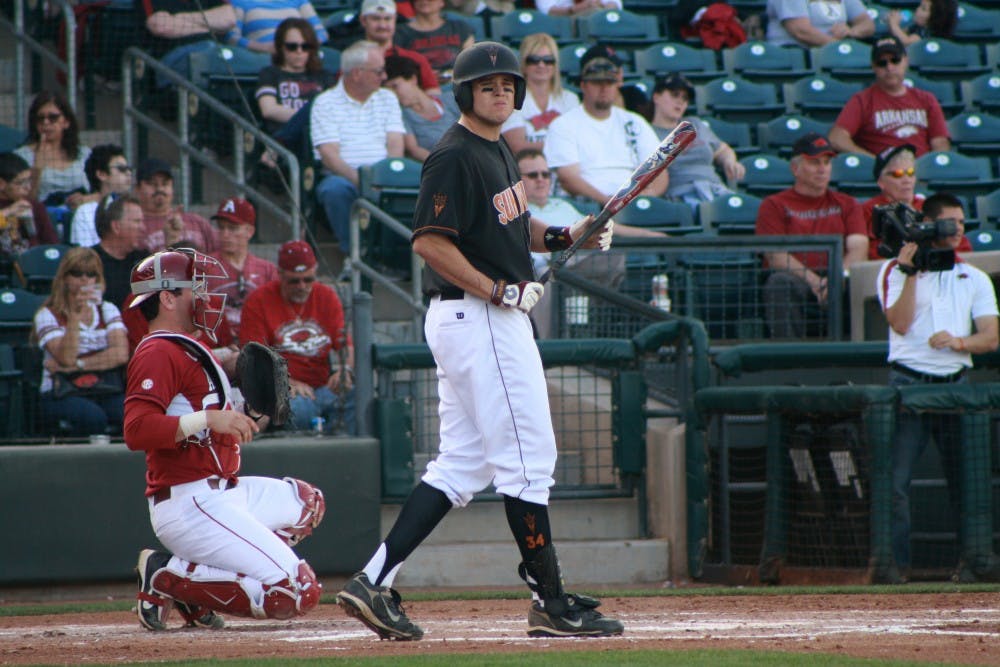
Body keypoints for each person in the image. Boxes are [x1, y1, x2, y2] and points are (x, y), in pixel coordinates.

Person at [334, 42, 623, 641]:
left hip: (475, 320)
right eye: (487, 84)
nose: (501, 92)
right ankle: (550, 601)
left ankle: (373, 579)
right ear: (465, 93)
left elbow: (519, 228)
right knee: (528, 462)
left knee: (461, 465)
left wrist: (573, 233)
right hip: (482, 317)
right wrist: (498, 290)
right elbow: (429, 242)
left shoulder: (499, 152)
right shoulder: (454, 155)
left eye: (508, 84)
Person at [124, 247, 326, 630]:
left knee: (306, 503)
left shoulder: (192, 347)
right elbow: (136, 430)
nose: (204, 296)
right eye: (193, 288)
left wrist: (240, 402)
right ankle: (167, 573)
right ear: (167, 297)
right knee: (298, 592)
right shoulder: (156, 351)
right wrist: (208, 418)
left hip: (222, 492)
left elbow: (213, 409)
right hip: (189, 502)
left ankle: (197, 587)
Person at [876, 192, 999, 583]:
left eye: (961, 223)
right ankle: (895, 568)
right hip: (908, 385)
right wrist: (911, 272)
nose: (956, 230)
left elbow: (991, 338)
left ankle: (973, 563)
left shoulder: (974, 277)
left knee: (968, 481)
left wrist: (960, 342)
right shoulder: (894, 271)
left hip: (957, 388)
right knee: (896, 483)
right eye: (948, 222)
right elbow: (899, 322)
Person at [518, 148, 664, 338]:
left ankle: (595, 325)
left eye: (545, 174)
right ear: (517, 179)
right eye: (532, 175)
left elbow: (606, 227)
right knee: (546, 280)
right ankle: (548, 351)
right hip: (541, 269)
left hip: (575, 263)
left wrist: (651, 235)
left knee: (614, 258)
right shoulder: (517, 210)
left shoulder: (563, 206)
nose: (541, 179)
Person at [755, 132, 868, 338]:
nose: (823, 169)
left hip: (839, 277)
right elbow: (775, 256)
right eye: (814, 162)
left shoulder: (847, 203)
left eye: (826, 162)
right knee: (779, 283)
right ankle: (791, 360)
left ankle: (860, 357)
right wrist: (816, 282)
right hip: (799, 279)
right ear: (795, 168)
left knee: (867, 280)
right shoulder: (774, 204)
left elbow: (859, 247)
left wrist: (836, 279)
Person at [240, 240, 355, 435]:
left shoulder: (326, 296)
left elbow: (345, 344)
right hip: (286, 392)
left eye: (308, 279)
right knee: (299, 409)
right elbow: (253, 359)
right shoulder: (259, 301)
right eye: (294, 281)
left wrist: (345, 368)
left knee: (357, 398)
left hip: (323, 386)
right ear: (280, 274)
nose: (302, 286)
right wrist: (285, 383)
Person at [311, 40, 405, 253]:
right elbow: (329, 155)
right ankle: (355, 254)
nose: (384, 77)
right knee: (334, 189)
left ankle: (396, 259)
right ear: (356, 74)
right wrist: (363, 182)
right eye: (378, 71)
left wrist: (385, 178)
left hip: (383, 176)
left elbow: (395, 143)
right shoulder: (325, 103)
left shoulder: (387, 98)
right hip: (345, 178)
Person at [545, 44, 666, 206]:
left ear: (617, 85)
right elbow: (568, 178)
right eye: (596, 82)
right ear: (583, 86)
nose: (603, 88)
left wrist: (642, 198)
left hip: (633, 203)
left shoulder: (635, 121)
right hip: (589, 205)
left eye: (609, 82)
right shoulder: (563, 125)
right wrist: (609, 202)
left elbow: (660, 171)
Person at [32, 247, 128, 436]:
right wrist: (74, 318)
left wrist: (78, 365)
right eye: (77, 273)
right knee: (93, 418)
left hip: (103, 386)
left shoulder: (107, 309)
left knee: (130, 414)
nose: (84, 279)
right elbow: (66, 357)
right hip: (62, 391)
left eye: (91, 274)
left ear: (97, 279)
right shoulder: (48, 314)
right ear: (65, 278)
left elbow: (120, 354)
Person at [829, 35, 951, 158]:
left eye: (895, 60)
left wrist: (929, 167)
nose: (889, 67)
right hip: (883, 174)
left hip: (918, 171)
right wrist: (873, 162)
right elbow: (836, 138)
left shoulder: (927, 99)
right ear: (873, 67)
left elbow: (940, 142)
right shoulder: (862, 100)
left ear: (906, 61)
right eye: (882, 63)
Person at [650, 72, 744, 211]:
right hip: (681, 195)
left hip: (716, 189)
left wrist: (730, 161)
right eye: (675, 95)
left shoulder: (694, 124)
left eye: (685, 98)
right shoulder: (647, 132)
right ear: (656, 97)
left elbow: (722, 150)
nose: (680, 102)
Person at [861, 143, 973, 260]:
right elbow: (871, 255)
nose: (906, 180)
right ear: (880, 182)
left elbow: (962, 248)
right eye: (897, 174)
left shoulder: (930, 206)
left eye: (910, 173)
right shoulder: (868, 211)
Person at [207, 197, 278, 341]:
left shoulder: (267, 270)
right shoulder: (206, 266)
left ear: (249, 231)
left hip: (257, 343)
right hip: (217, 344)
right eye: (221, 227)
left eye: (233, 228)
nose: (225, 234)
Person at [255, 18, 337, 137]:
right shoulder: (269, 74)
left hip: (318, 137)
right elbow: (269, 110)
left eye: (305, 46)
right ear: (280, 47)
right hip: (283, 138)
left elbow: (334, 111)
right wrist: (307, 118)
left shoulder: (324, 76)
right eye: (292, 47)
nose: (299, 51)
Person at [500, 32, 580, 155]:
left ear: (555, 65)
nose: (541, 65)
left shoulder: (570, 99)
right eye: (534, 60)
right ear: (524, 64)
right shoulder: (511, 99)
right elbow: (518, 146)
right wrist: (562, 146)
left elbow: (579, 141)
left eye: (548, 60)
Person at [15, 91, 95, 208]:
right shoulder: (21, 156)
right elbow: (23, 204)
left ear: (66, 122)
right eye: (40, 118)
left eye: (53, 117)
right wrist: (37, 170)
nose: (46, 123)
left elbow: (104, 194)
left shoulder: (84, 154)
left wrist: (85, 199)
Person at [140, 0, 237, 85]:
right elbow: (161, 26)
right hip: (174, 57)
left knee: (247, 62)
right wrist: (210, 25)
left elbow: (229, 19)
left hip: (217, 50)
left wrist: (177, 19)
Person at [384, 54, 460, 161]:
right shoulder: (400, 116)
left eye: (395, 86)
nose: (393, 94)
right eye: (388, 91)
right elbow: (414, 150)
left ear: (413, 79)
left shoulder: (450, 100)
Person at [135, 158, 218, 253]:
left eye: (165, 183)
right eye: (152, 184)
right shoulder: (136, 227)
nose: (159, 189)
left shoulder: (196, 222)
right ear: (137, 189)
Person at [360, 0, 442, 96]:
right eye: (376, 19)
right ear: (363, 21)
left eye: (387, 19)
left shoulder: (416, 59)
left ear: (395, 20)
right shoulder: (353, 59)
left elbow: (434, 97)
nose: (382, 25)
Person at [0, 152, 59, 269]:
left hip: (34, 267)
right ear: (1, 183)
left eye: (28, 181)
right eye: (20, 183)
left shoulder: (35, 206)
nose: (28, 187)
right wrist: (7, 213)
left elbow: (53, 245)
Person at [392, 0, 475, 81]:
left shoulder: (459, 27)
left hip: (457, 81)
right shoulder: (400, 33)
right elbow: (400, 67)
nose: (424, 1)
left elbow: (470, 61)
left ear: (442, 2)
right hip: (420, 83)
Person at [70, 145, 134, 248]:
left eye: (128, 169)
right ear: (101, 174)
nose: (129, 173)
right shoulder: (85, 212)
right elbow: (85, 254)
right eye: (122, 169)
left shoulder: (132, 208)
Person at [92, 194, 147, 309]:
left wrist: (172, 240)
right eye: (137, 221)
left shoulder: (144, 261)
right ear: (116, 226)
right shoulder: (89, 262)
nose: (143, 228)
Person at [227, 0, 328, 53]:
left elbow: (321, 33)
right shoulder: (239, 1)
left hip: (300, 54)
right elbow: (232, 38)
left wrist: (304, 46)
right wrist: (262, 48)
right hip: (262, 57)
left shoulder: (299, 0)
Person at [766, 0, 875, 47]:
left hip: (833, 53)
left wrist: (852, 31)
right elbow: (802, 32)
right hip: (797, 52)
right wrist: (838, 47)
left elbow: (867, 23)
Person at [886, 0, 957, 47]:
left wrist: (894, 24)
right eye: (919, 6)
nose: (917, 9)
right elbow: (900, 34)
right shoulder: (915, 27)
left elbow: (907, 42)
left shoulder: (925, 32)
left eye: (923, 9)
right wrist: (891, 23)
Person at [536, 0, 620, 16]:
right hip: (564, 21)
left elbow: (614, 4)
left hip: (596, 19)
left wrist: (603, 11)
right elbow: (548, 11)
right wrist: (575, 9)